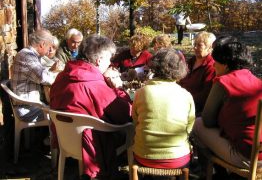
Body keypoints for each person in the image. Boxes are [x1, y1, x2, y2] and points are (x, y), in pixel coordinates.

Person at [50, 34, 132, 179]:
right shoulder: (94, 85)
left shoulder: (62, 76)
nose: (110, 64)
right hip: (94, 144)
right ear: (99, 60)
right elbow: (125, 113)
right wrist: (119, 89)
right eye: (109, 59)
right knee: (132, 128)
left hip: (65, 139)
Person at [193, 39, 262, 174]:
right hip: (257, 150)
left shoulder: (223, 82)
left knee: (197, 124)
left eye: (215, 62)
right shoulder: (256, 81)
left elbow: (207, 120)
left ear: (225, 64)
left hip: (247, 157)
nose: (213, 66)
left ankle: (210, 171)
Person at [132, 48, 195, 169]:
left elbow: (136, 121)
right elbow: (189, 128)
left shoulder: (141, 92)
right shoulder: (186, 95)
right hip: (178, 158)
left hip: (144, 155)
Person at [11, 29, 59, 122]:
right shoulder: (27, 56)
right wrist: (63, 77)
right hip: (27, 109)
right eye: (49, 46)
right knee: (63, 115)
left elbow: (44, 73)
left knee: (62, 109)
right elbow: (44, 77)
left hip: (30, 106)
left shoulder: (31, 55)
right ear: (42, 44)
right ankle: (53, 136)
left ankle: (52, 136)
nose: (50, 50)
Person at [179, 31, 216, 117]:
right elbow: (180, 79)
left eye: (199, 45)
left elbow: (205, 94)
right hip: (180, 100)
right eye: (195, 44)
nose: (195, 47)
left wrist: (184, 99)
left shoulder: (211, 66)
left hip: (195, 108)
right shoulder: (190, 62)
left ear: (209, 48)